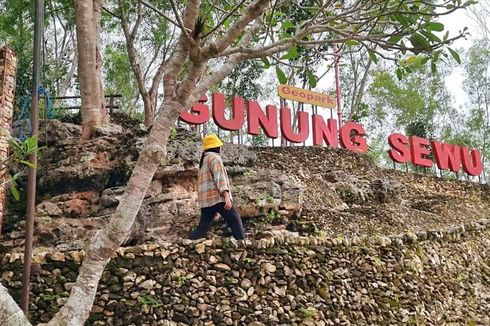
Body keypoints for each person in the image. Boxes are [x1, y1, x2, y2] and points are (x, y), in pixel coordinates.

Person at [189, 134, 246, 240]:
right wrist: (227, 197)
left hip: (206, 201)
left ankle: (189, 239)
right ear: (216, 147)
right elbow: (220, 179)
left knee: (202, 228)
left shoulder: (204, 160)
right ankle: (242, 241)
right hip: (217, 198)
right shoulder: (215, 158)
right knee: (234, 218)